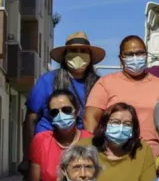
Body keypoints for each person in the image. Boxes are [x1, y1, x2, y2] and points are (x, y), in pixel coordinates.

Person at [23, 32, 103, 169]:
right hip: (48, 149)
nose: (78, 55)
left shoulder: (99, 84)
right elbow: (31, 119)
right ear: (65, 56)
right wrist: (28, 157)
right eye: (73, 51)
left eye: (83, 51)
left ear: (90, 57)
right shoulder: (47, 80)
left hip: (83, 152)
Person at [85, 36, 159, 157]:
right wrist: (94, 150)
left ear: (146, 55)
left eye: (140, 53)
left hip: (152, 154)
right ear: (121, 58)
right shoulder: (106, 82)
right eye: (129, 54)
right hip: (114, 153)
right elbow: (90, 118)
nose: (135, 57)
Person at [80, 103, 156, 181]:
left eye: (127, 124)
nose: (121, 128)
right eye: (115, 122)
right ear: (104, 124)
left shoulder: (142, 150)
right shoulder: (85, 147)